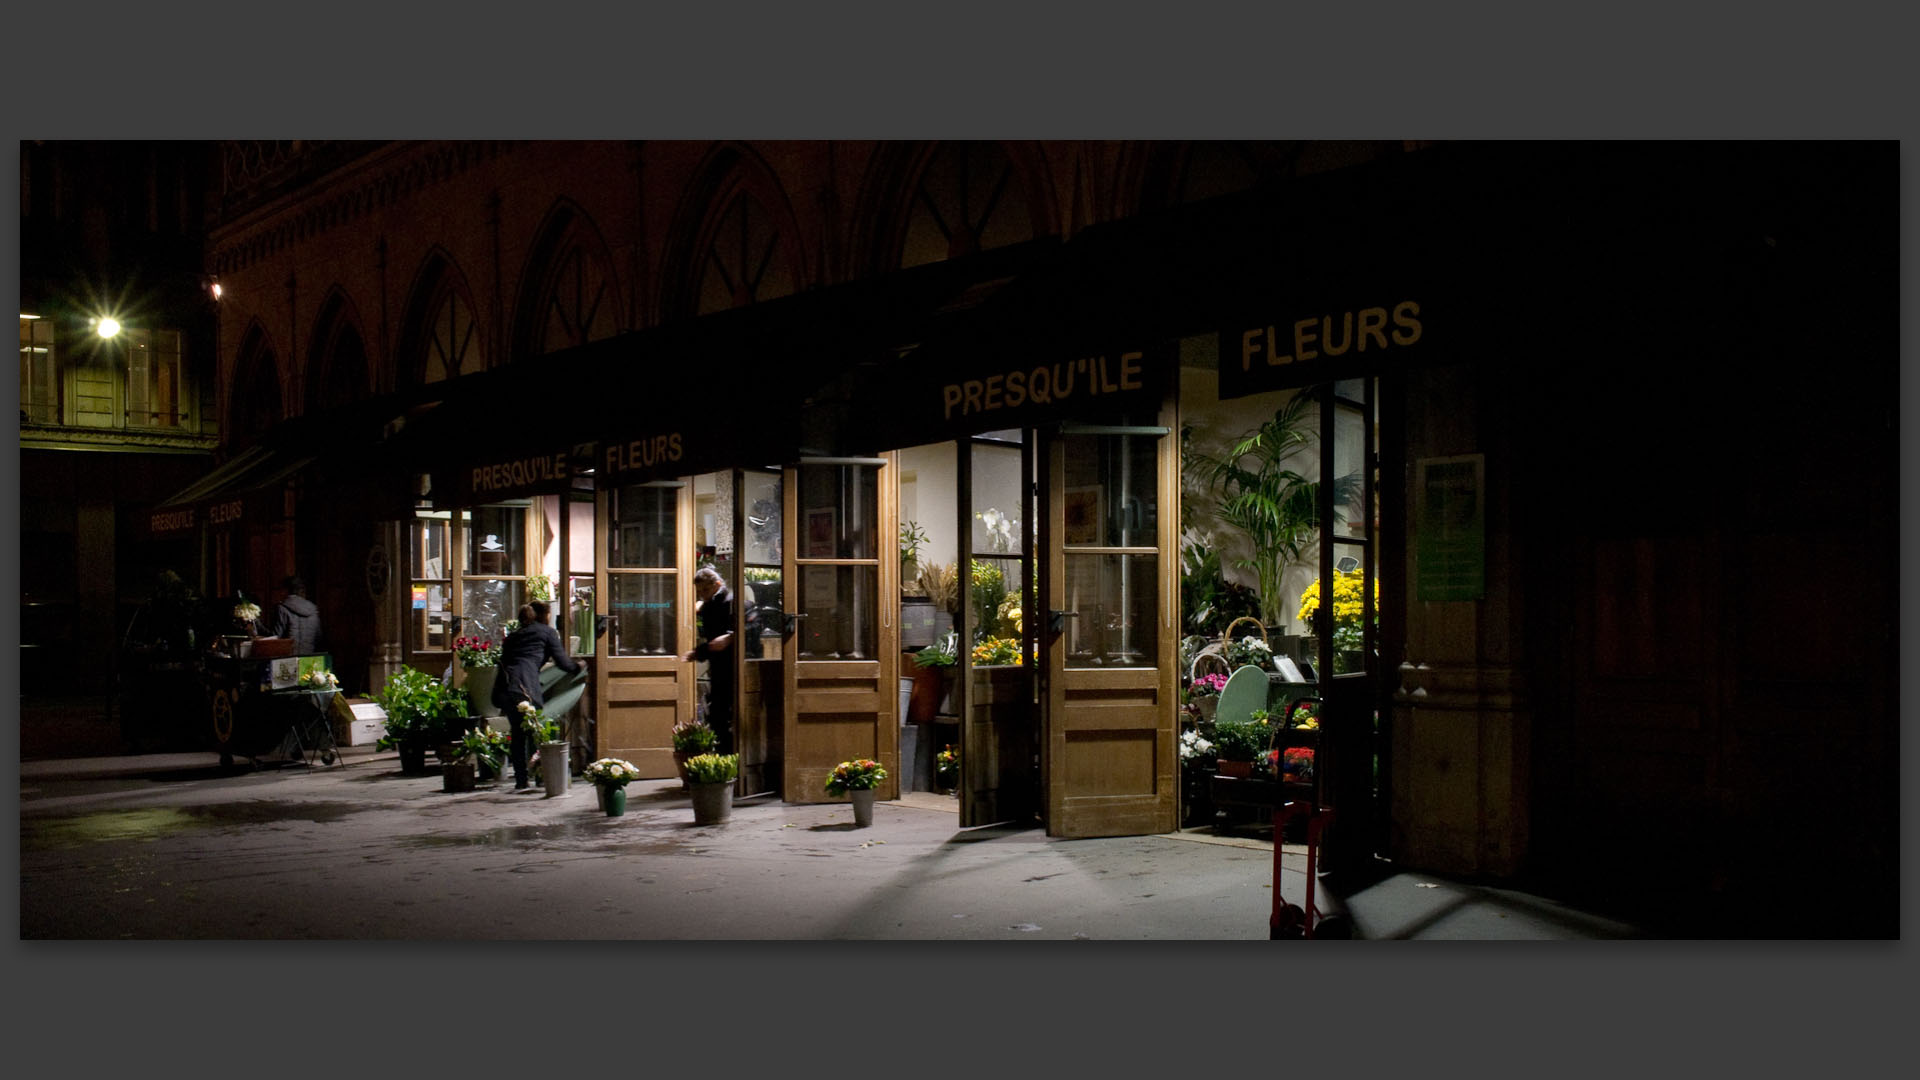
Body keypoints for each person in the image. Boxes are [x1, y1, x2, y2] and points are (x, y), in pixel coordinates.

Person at [491, 599, 581, 790]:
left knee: (517, 734)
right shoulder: (547, 633)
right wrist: (578, 667)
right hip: (526, 688)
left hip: (508, 688)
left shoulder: (513, 637)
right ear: (544, 615)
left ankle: (521, 780)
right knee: (538, 732)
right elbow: (563, 663)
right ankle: (543, 777)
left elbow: (504, 662)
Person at [684, 566, 735, 754]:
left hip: (731, 667)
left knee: (723, 715)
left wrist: (730, 638)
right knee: (719, 716)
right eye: (700, 591)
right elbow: (712, 641)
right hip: (720, 667)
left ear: (717, 584)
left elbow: (746, 633)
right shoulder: (709, 606)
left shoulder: (730, 603)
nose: (702, 595)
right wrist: (699, 652)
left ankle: (726, 758)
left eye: (705, 590)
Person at [267, 575, 323, 654]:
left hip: (288, 659)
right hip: (310, 658)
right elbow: (318, 638)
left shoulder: (282, 608)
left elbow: (275, 638)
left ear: (285, 590)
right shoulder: (313, 609)